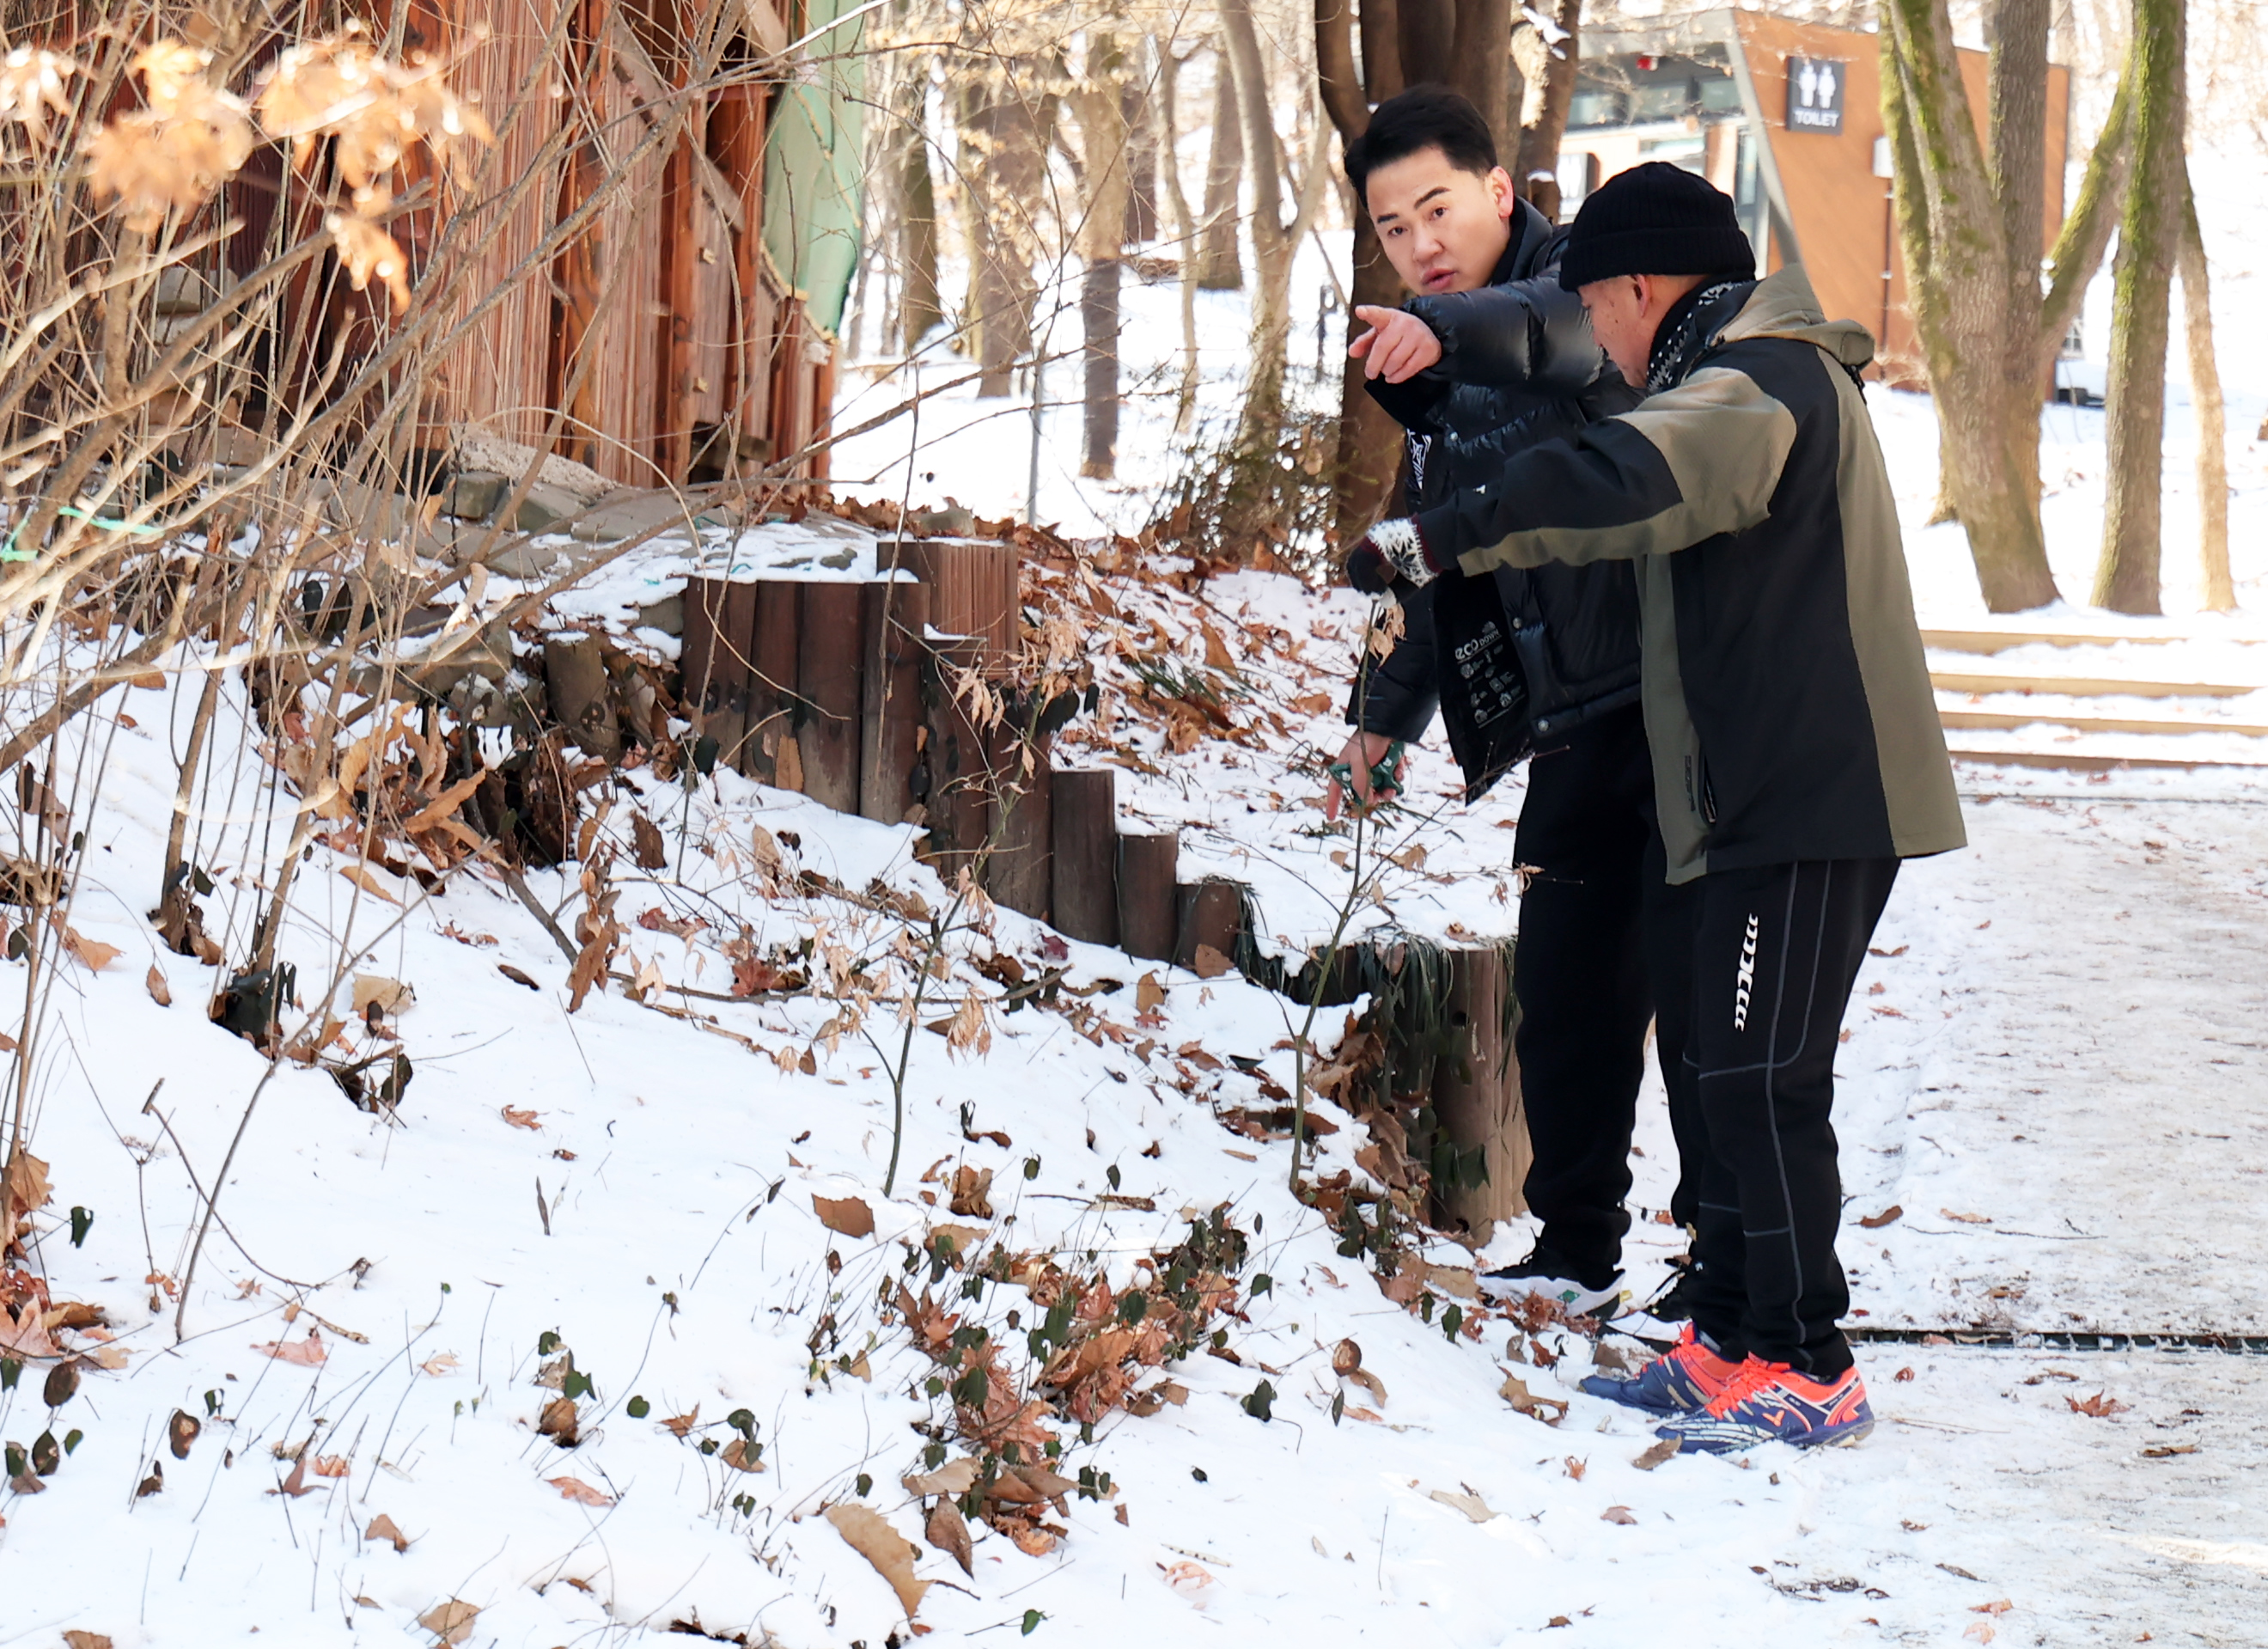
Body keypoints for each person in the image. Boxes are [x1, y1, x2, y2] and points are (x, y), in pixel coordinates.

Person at [1344, 162, 1965, 1453]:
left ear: (1640, 287)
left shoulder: (1759, 382)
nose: (1603, 342)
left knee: (1757, 1080)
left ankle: (1806, 1360)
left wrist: (1442, 533)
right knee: (1730, 1069)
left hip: (1810, 796)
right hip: (1751, 800)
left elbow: (1620, 481)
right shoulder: (1727, 377)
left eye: (1600, 310)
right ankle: (1730, 1341)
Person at [1329, 86, 1703, 1322]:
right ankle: (1575, 1244)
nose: (1421, 242)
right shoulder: (1439, 367)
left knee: (1697, 994)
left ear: (1499, 193)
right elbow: (1449, 555)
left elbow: (1552, 336)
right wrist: (1387, 711)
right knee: (1568, 988)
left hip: (1677, 695)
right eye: (1393, 227)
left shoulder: (1580, 289)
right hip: (1572, 717)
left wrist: (1447, 338)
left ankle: (1724, 1253)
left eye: (1438, 207)